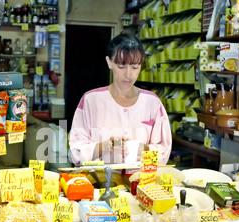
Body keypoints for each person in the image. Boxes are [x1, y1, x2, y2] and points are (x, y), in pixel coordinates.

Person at [69, 31, 172, 165]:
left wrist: (146, 150)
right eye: (121, 66)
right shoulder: (90, 100)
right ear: (109, 62)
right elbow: (76, 153)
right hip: (100, 181)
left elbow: (164, 151)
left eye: (135, 67)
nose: (129, 74)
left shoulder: (152, 102)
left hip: (141, 181)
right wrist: (105, 146)